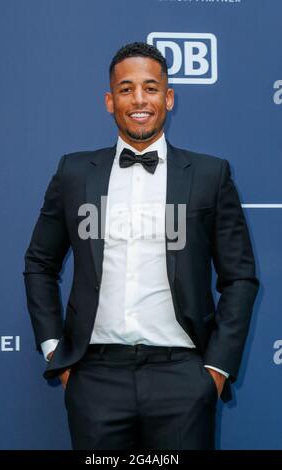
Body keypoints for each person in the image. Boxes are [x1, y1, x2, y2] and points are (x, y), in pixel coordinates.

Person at [23, 42, 259, 450]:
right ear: (109, 100)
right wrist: (54, 352)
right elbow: (39, 264)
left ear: (168, 98)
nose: (139, 100)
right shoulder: (74, 172)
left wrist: (215, 370)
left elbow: (239, 278)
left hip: (183, 377)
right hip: (94, 377)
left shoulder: (209, 174)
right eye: (126, 88)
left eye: (150, 88)